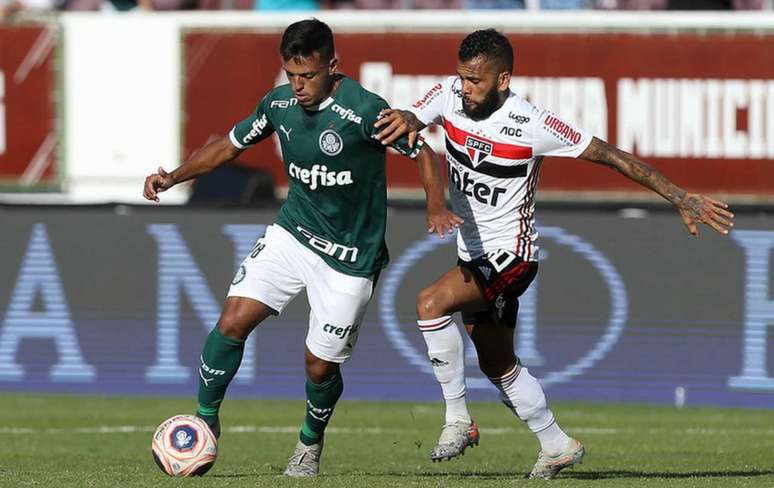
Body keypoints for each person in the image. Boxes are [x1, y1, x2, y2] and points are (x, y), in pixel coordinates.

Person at [374, 28, 734, 479]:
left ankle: (457, 421)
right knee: (496, 362)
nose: (466, 89)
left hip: (513, 255)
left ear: (503, 79)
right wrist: (405, 119)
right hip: (474, 253)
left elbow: (613, 156)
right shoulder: (449, 94)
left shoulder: (533, 123)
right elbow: (414, 115)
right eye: (462, 78)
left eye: (476, 82)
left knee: (429, 303)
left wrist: (680, 196)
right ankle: (557, 444)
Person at [142, 18, 460, 478]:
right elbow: (228, 147)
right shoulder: (278, 104)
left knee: (317, 366)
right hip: (292, 234)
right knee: (232, 320)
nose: (299, 85)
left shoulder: (365, 111)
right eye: (291, 75)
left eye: (307, 75)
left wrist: (435, 206)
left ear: (332, 66)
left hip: (349, 259)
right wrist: (172, 176)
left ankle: (309, 444)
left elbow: (424, 154)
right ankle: (205, 423)